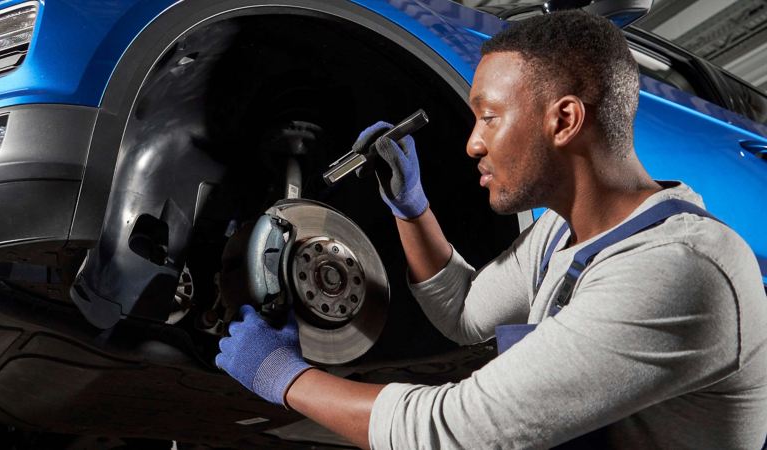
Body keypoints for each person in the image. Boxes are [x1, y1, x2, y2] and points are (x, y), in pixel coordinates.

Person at [216, 10, 767, 449]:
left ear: (564, 120)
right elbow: (464, 315)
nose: (472, 142)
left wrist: (281, 376)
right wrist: (411, 209)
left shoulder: (677, 269)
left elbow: (458, 432)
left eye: (489, 115)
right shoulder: (560, 233)